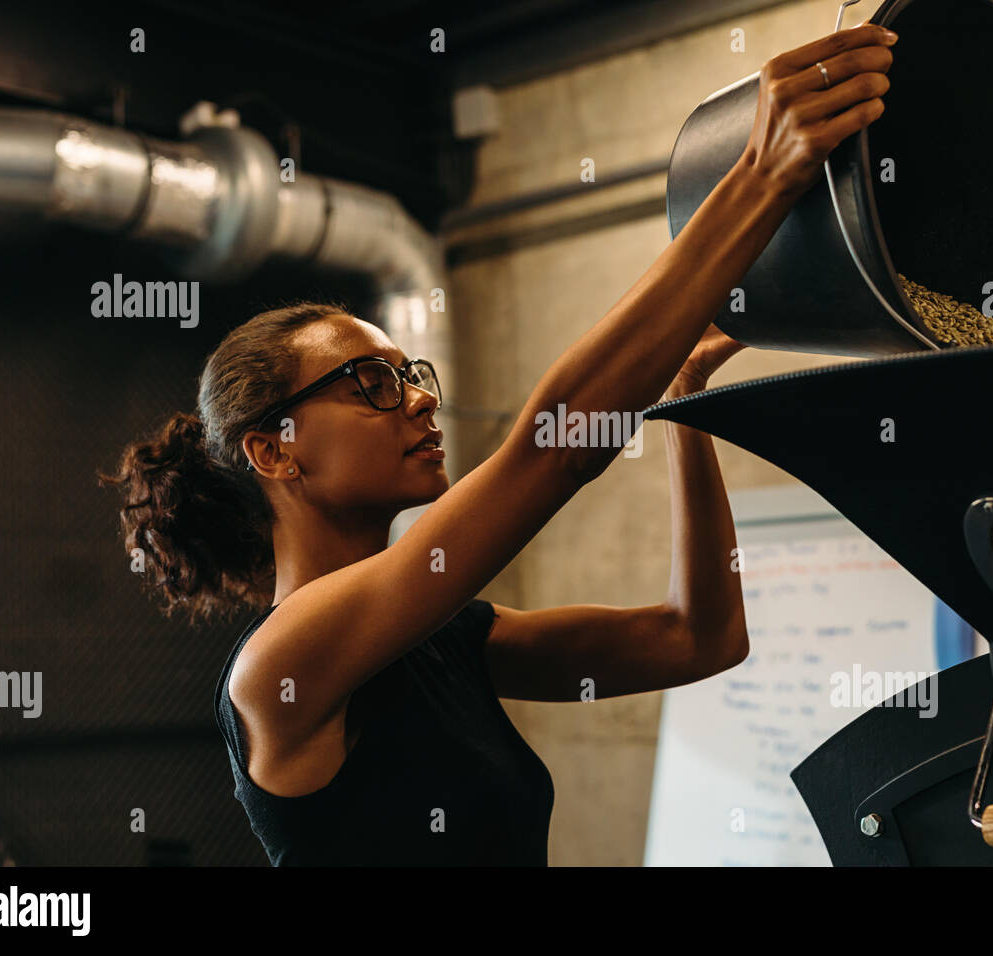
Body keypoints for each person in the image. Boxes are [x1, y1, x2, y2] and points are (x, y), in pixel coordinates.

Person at [99, 23, 896, 865]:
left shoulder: (452, 639)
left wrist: (682, 392)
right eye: (371, 383)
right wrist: (760, 173)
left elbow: (700, 637)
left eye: (411, 376)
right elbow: (553, 450)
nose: (416, 402)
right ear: (275, 451)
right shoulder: (279, 670)